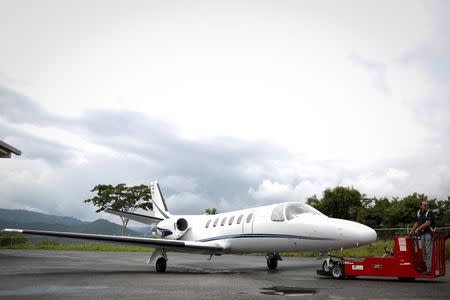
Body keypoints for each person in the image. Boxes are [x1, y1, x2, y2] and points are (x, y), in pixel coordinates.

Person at [410, 201, 435, 274]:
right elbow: (417, 223)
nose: (426, 206)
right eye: (425, 205)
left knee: (428, 251)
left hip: (428, 234)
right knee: (424, 252)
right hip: (422, 234)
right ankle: (427, 267)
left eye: (427, 205)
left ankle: (429, 269)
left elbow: (427, 223)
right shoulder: (418, 213)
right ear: (420, 206)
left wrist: (418, 229)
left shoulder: (429, 212)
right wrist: (412, 231)